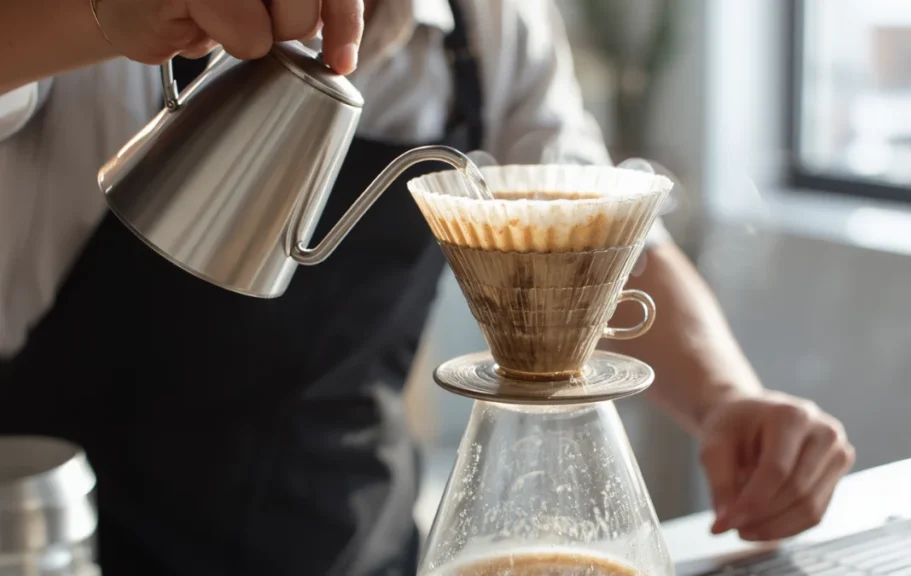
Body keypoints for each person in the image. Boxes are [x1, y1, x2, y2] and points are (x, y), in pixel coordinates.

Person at [0, 0, 855, 574]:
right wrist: (105, 16)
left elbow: (592, 228)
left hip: (347, 540)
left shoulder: (488, 26)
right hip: (70, 537)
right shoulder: (125, 29)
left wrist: (726, 400)